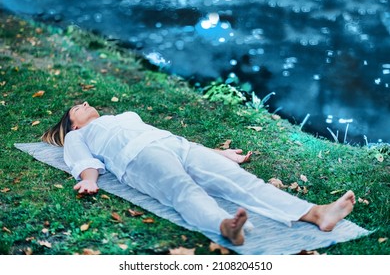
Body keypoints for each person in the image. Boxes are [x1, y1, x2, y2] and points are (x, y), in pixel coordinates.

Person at [41, 101, 356, 246]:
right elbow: (82, 160)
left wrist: (218, 154)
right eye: (76, 109)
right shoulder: (78, 136)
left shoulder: (125, 114)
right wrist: (88, 179)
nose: (83, 103)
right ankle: (224, 225)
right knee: (184, 191)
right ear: (74, 125)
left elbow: (159, 131)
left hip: (177, 145)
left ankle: (316, 213)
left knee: (244, 182)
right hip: (138, 159)